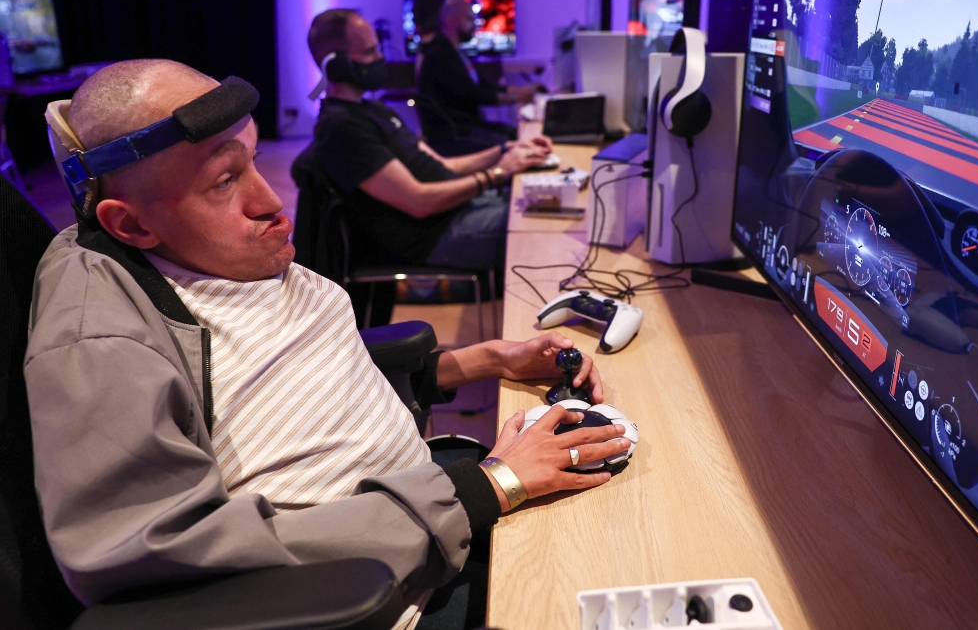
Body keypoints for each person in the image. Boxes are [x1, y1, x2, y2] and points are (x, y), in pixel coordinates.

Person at [26, 59, 631, 628]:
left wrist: (483, 360)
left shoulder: (202, 257)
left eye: (256, 162)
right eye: (224, 181)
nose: (271, 203)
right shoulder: (100, 344)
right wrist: (492, 485)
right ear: (130, 224)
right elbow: (160, 553)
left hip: (428, 515)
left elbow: (290, 379)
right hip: (377, 597)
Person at [297, 8, 551, 274]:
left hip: (460, 211)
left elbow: (442, 165)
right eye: (370, 52)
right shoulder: (341, 128)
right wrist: (499, 172)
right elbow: (419, 202)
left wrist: (504, 151)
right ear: (336, 66)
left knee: (548, 204)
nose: (381, 58)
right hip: (440, 235)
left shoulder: (376, 110)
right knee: (541, 228)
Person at [417, 0, 542, 150]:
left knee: (518, 134)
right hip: (456, 134)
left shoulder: (456, 52)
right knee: (516, 142)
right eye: (469, 19)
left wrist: (517, 92)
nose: (475, 25)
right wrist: (516, 97)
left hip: (469, 127)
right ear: (450, 21)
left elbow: (483, 85)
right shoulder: (439, 55)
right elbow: (472, 95)